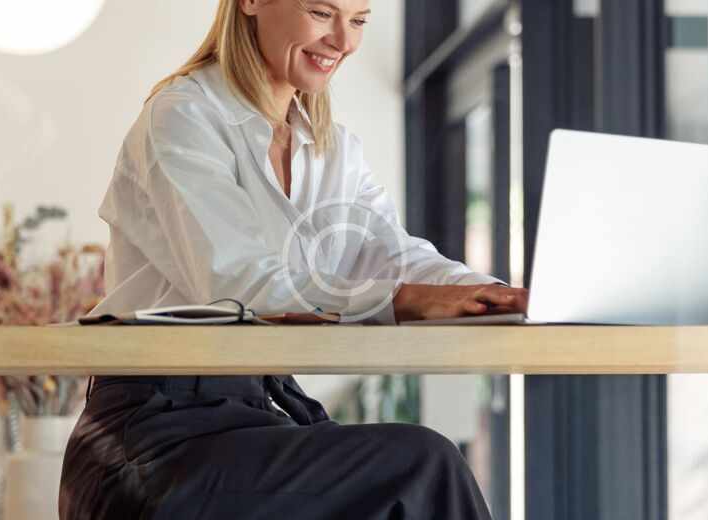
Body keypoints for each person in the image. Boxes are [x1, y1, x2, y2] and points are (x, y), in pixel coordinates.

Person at [59, 0, 529, 518]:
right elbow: (240, 282)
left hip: (253, 416)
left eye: (358, 20)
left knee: (412, 475)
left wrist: (497, 296)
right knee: (425, 466)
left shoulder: (333, 150)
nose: (344, 42)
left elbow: (395, 256)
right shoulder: (182, 116)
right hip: (149, 440)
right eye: (322, 12)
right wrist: (405, 300)